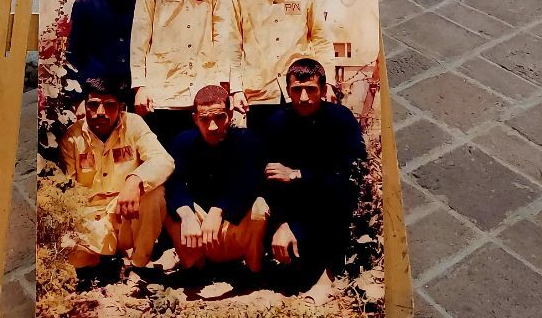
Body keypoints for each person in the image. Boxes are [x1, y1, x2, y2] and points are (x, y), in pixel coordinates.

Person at [263, 58, 367, 303]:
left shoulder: (340, 118)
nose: (303, 97)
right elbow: (270, 173)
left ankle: (326, 276)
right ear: (288, 91)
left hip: (329, 200)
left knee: (335, 195)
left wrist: (298, 174)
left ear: (322, 89)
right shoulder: (277, 121)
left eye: (310, 89)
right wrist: (282, 222)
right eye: (296, 90)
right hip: (293, 202)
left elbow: (349, 169)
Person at [57, 76, 174, 278]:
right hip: (91, 222)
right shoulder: (72, 138)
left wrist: (135, 179)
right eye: (93, 105)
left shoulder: (134, 124)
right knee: (67, 252)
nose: (100, 112)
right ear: (85, 105)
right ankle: (107, 262)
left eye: (110, 105)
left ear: (121, 107)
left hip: (127, 213)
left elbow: (163, 160)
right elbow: (69, 193)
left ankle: (138, 266)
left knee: (154, 193)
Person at [131, 0, 225, 147]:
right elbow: (140, 36)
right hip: (163, 91)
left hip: (202, 90)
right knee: (166, 156)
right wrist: (140, 86)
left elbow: (220, 34)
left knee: (200, 157)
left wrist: (223, 82)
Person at [227, 0, 333, 135]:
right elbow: (232, 46)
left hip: (300, 92)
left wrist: (327, 82)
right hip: (260, 95)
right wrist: (236, 89)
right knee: (263, 152)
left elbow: (320, 39)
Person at [165, 85, 269, 274]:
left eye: (219, 117)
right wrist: (187, 215)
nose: (212, 126)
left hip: (232, 227)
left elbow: (250, 183)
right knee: (165, 201)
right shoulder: (183, 141)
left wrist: (219, 210)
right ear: (195, 119)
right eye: (204, 119)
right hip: (199, 230)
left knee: (259, 207)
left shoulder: (247, 141)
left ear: (230, 114)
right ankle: (194, 266)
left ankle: (253, 270)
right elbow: (173, 183)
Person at [66, 0, 138, 101]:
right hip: (96, 98)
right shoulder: (85, 4)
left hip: (135, 95)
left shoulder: (141, 0)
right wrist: (78, 100)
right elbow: (73, 56)